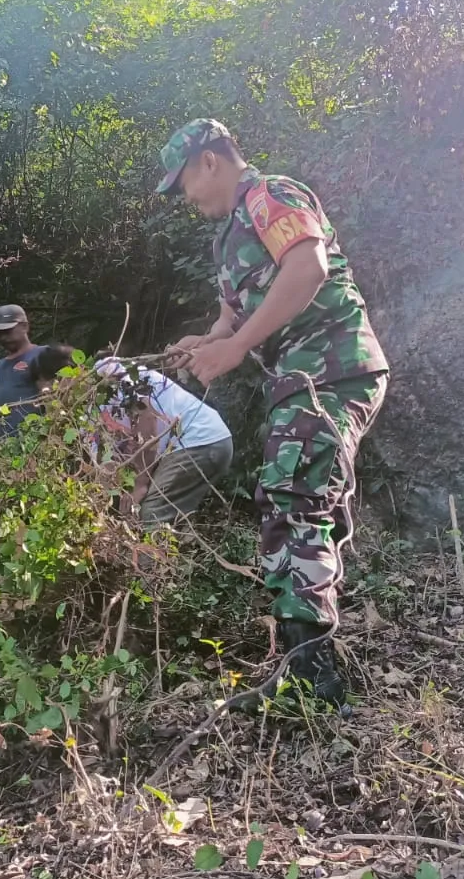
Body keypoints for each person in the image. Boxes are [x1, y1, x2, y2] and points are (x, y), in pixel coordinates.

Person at [158, 118, 389, 703]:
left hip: (332, 368)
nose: (185, 197)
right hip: (302, 376)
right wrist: (206, 343)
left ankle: (311, 683)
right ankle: (313, 662)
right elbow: (229, 320)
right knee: (305, 500)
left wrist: (234, 350)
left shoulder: (271, 196)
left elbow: (307, 267)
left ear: (209, 161)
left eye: (183, 181)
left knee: (292, 497)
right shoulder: (227, 236)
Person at [89, 356, 233, 527]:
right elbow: (105, 463)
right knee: (165, 519)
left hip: (197, 439)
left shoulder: (109, 374)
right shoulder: (84, 416)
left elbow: (147, 419)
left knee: (151, 514)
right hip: (203, 441)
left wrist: (141, 483)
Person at [0, 303, 44, 436]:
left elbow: (57, 399)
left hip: (32, 446)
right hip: (0, 451)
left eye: (7, 331)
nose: (3, 338)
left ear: (25, 326)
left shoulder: (43, 355)